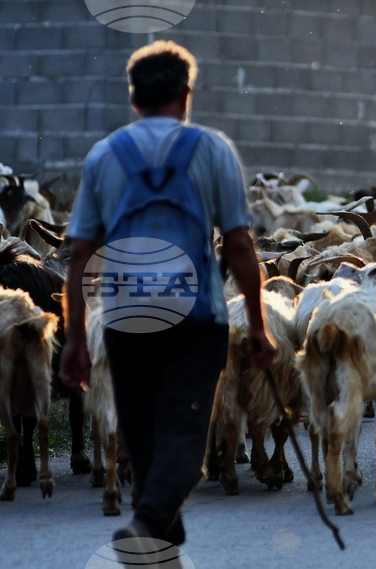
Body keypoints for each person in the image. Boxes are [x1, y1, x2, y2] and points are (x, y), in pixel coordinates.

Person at [60, 40, 275, 546]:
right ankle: (150, 525)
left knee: (145, 444)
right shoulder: (213, 149)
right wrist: (259, 327)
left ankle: (153, 531)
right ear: (186, 95)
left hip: (125, 319)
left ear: (133, 100)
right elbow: (240, 245)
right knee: (182, 436)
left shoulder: (104, 156)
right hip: (196, 320)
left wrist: (74, 338)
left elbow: (78, 256)